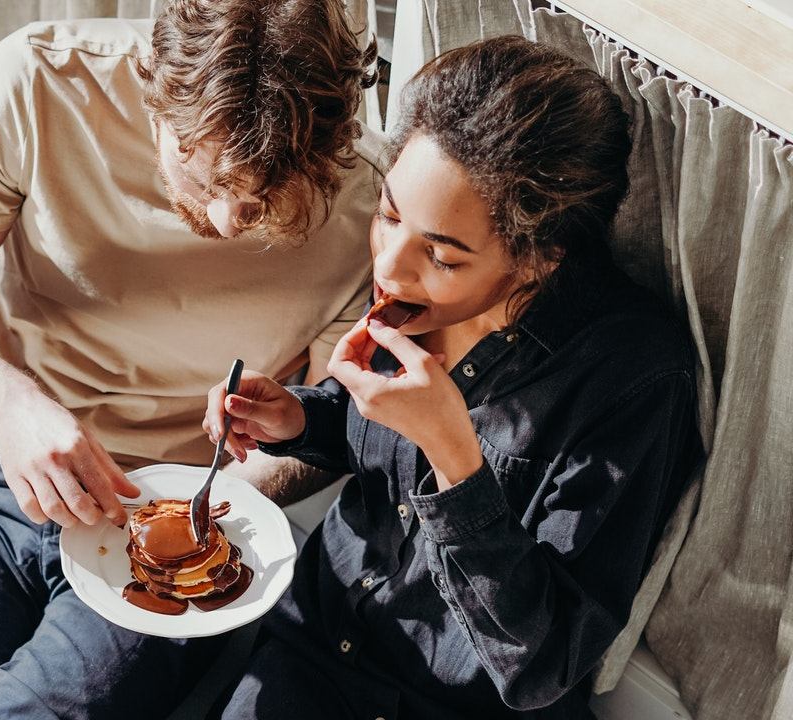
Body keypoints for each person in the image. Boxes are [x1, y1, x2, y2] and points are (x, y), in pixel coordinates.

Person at [0, 1, 382, 717]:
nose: (229, 222)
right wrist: (12, 407)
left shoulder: (370, 204)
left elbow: (328, 424)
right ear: (155, 91)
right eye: (204, 180)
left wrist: (207, 515)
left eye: (266, 198)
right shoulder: (38, 83)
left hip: (185, 510)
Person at [202, 36, 701, 719]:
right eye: (389, 215)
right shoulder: (412, 299)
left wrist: (456, 460)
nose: (390, 269)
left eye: (439, 253)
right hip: (311, 652)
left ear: (537, 259)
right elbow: (369, 438)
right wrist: (299, 418)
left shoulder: (632, 378)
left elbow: (543, 664)